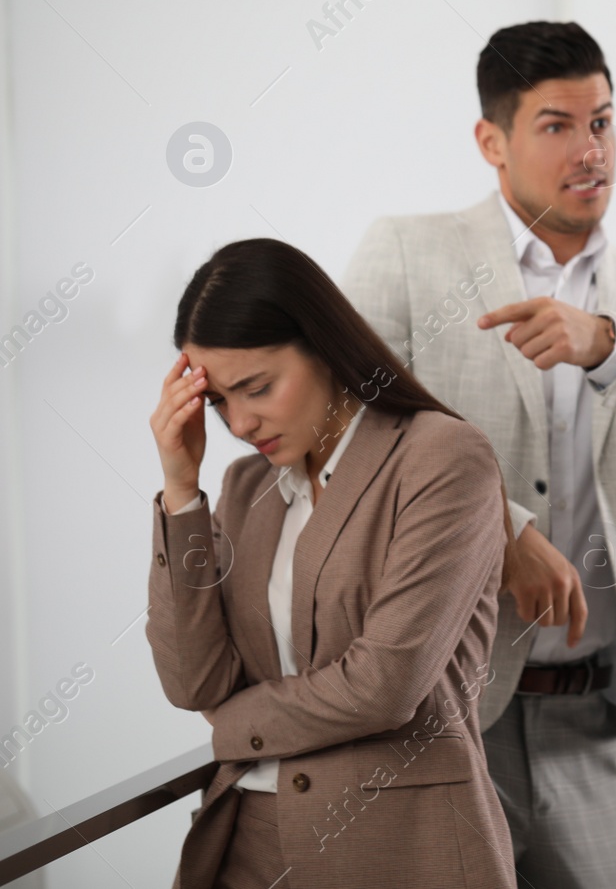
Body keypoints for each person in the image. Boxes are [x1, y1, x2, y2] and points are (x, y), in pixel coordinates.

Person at [341, 20, 616, 887]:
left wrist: (608, 345)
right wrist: (504, 528)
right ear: (492, 140)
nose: (590, 148)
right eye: (557, 124)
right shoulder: (407, 254)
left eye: (601, 122)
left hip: (590, 714)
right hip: (440, 707)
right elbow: (352, 439)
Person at [146, 238, 516, 889]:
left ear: (323, 344)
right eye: (219, 401)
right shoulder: (242, 487)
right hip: (247, 849)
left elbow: (385, 683)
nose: (240, 420)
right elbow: (195, 682)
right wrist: (181, 493)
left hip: (403, 848)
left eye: (256, 387)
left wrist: (233, 726)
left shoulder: (441, 458)